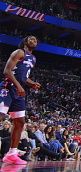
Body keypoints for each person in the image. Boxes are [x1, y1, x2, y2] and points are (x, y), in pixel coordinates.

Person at [0, 35, 41, 165]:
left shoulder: (33, 58)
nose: (33, 40)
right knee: (0, 116)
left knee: (20, 122)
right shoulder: (19, 52)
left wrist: (31, 83)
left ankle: (11, 154)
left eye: (35, 39)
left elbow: (23, 76)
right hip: (9, 87)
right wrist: (18, 86)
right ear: (25, 41)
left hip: (19, 91)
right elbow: (7, 71)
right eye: (31, 38)